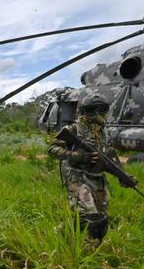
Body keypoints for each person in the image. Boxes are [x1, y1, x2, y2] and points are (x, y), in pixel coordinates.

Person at [48, 94, 118, 246]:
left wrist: (122, 175)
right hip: (77, 177)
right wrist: (74, 155)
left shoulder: (104, 132)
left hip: (97, 177)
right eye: (93, 110)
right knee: (90, 214)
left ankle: (63, 232)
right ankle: (87, 248)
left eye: (102, 110)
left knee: (101, 216)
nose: (98, 115)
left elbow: (110, 157)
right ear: (85, 111)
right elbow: (53, 148)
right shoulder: (73, 129)